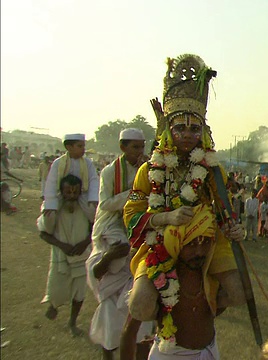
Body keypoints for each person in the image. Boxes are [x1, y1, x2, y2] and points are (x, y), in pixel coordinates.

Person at [120, 54, 245, 360]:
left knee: (239, 293)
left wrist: (235, 227)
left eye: (194, 129)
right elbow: (131, 215)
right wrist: (166, 217)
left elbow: (225, 208)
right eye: (180, 129)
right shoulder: (149, 169)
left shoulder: (214, 169)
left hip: (209, 243)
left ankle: (201, 314)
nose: (187, 135)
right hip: (162, 242)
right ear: (168, 131)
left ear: (203, 131)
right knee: (140, 304)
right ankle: (163, 329)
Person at [85, 128, 153, 360]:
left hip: (138, 230)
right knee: (118, 258)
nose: (140, 151)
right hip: (113, 227)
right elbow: (105, 205)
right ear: (123, 147)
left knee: (136, 308)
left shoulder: (150, 169)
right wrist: (134, 191)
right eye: (135, 147)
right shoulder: (108, 172)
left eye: (142, 146)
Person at [38, 174, 93, 336]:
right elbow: (43, 233)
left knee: (79, 293)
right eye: (68, 192)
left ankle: (72, 322)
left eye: (75, 193)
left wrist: (84, 243)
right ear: (61, 191)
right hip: (61, 256)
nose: (71, 196)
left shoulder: (87, 208)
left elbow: (95, 228)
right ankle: (54, 305)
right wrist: (63, 245)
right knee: (56, 289)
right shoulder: (52, 210)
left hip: (82, 256)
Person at [43, 133, 99, 221]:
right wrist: (50, 203)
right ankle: (47, 233)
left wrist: (93, 198)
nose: (83, 149)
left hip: (81, 194)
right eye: (80, 146)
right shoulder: (58, 163)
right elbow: (51, 182)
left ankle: (91, 231)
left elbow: (93, 180)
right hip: (62, 194)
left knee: (94, 212)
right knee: (49, 215)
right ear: (69, 147)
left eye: (84, 146)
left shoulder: (88, 163)